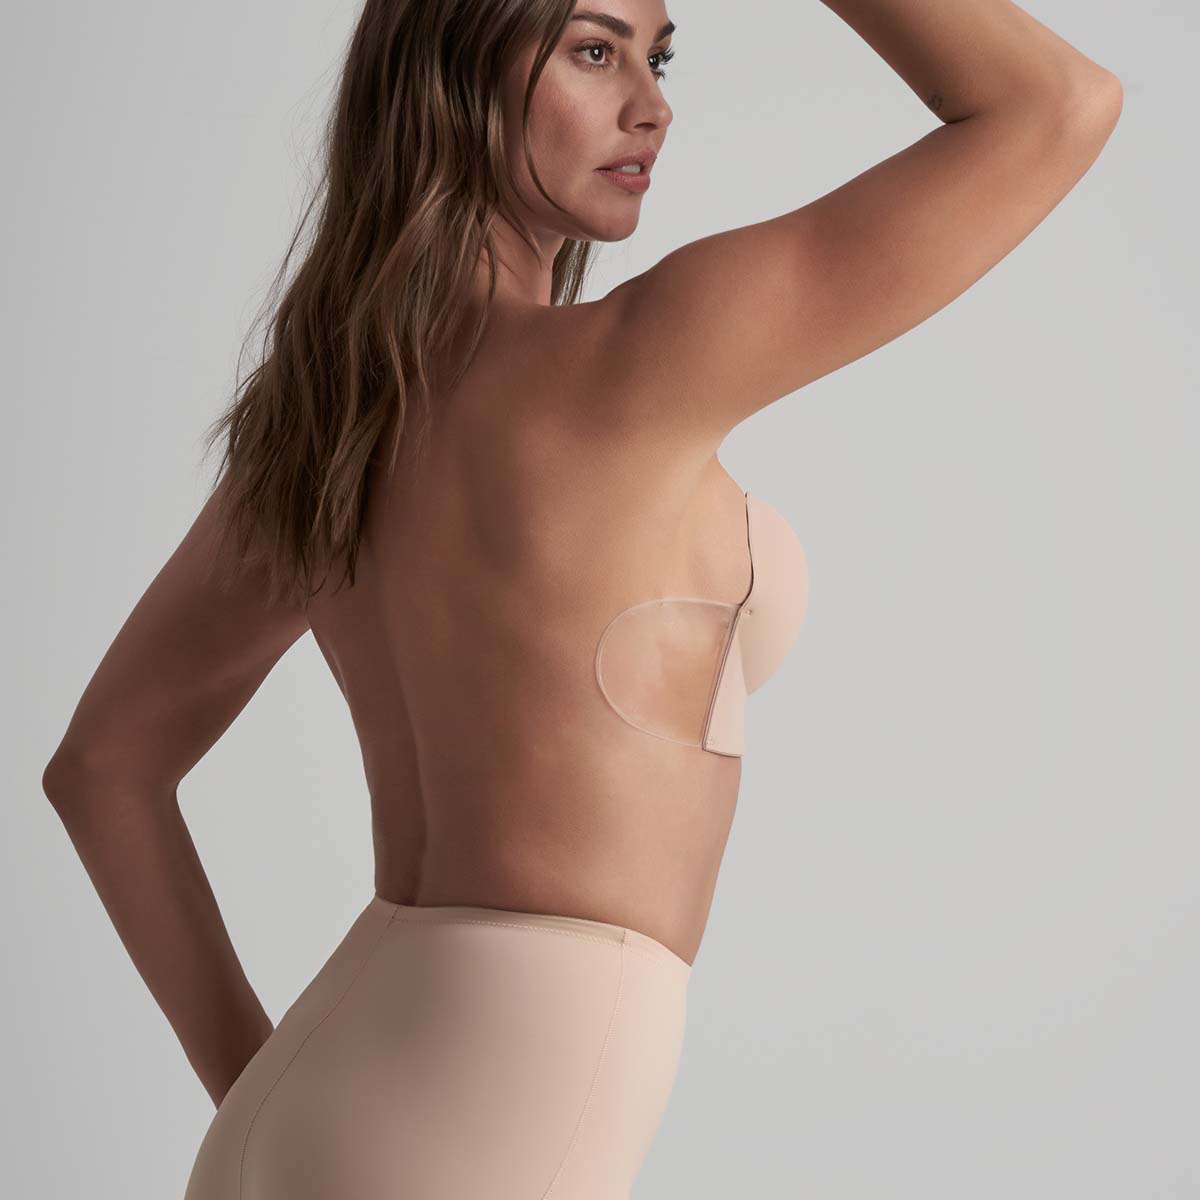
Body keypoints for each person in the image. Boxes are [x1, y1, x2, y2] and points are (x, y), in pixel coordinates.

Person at [41, 1, 1121, 1195]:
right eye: (594, 52)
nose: (653, 106)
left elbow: (104, 767)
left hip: (315, 1108)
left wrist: (266, 1101)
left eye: (660, 58)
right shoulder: (641, 361)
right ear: (452, 70)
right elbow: (1054, 106)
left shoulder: (332, 422)